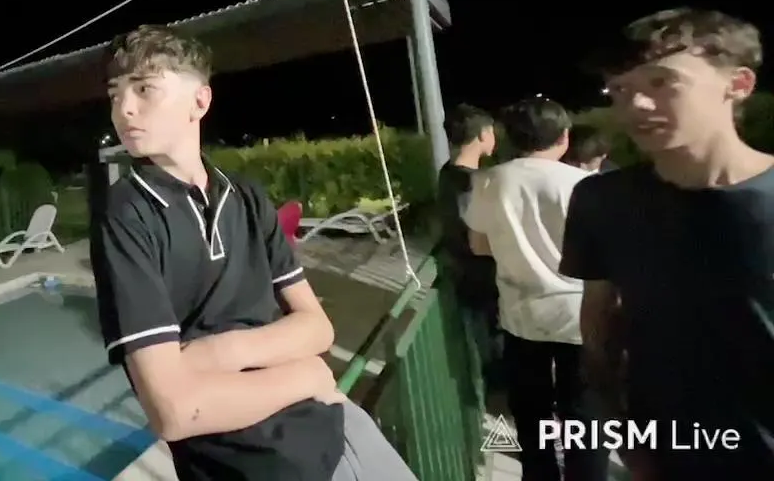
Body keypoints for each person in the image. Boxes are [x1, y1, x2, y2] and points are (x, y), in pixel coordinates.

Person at [90, 25, 417, 481]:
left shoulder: (245, 197)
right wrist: (305, 375)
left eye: (144, 88)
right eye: (115, 94)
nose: (123, 108)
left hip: (338, 425)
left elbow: (318, 328)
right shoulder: (127, 212)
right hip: (257, 466)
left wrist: (214, 353)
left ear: (199, 102)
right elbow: (176, 412)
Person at [559, 8, 774, 481]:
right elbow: (598, 328)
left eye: (662, 82)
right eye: (619, 90)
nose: (635, 105)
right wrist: (628, 439)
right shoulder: (601, 200)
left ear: (738, 84)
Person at [466, 97, 609, 481]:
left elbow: (479, 245)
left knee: (531, 407)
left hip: (520, 312)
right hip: (580, 314)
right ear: (564, 137)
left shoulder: (489, 180)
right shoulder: (585, 184)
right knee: (584, 410)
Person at [434, 104, 501, 394]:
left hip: (464, 275)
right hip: (486, 279)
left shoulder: (447, 174)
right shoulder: (472, 182)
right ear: (483, 134)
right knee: (496, 351)